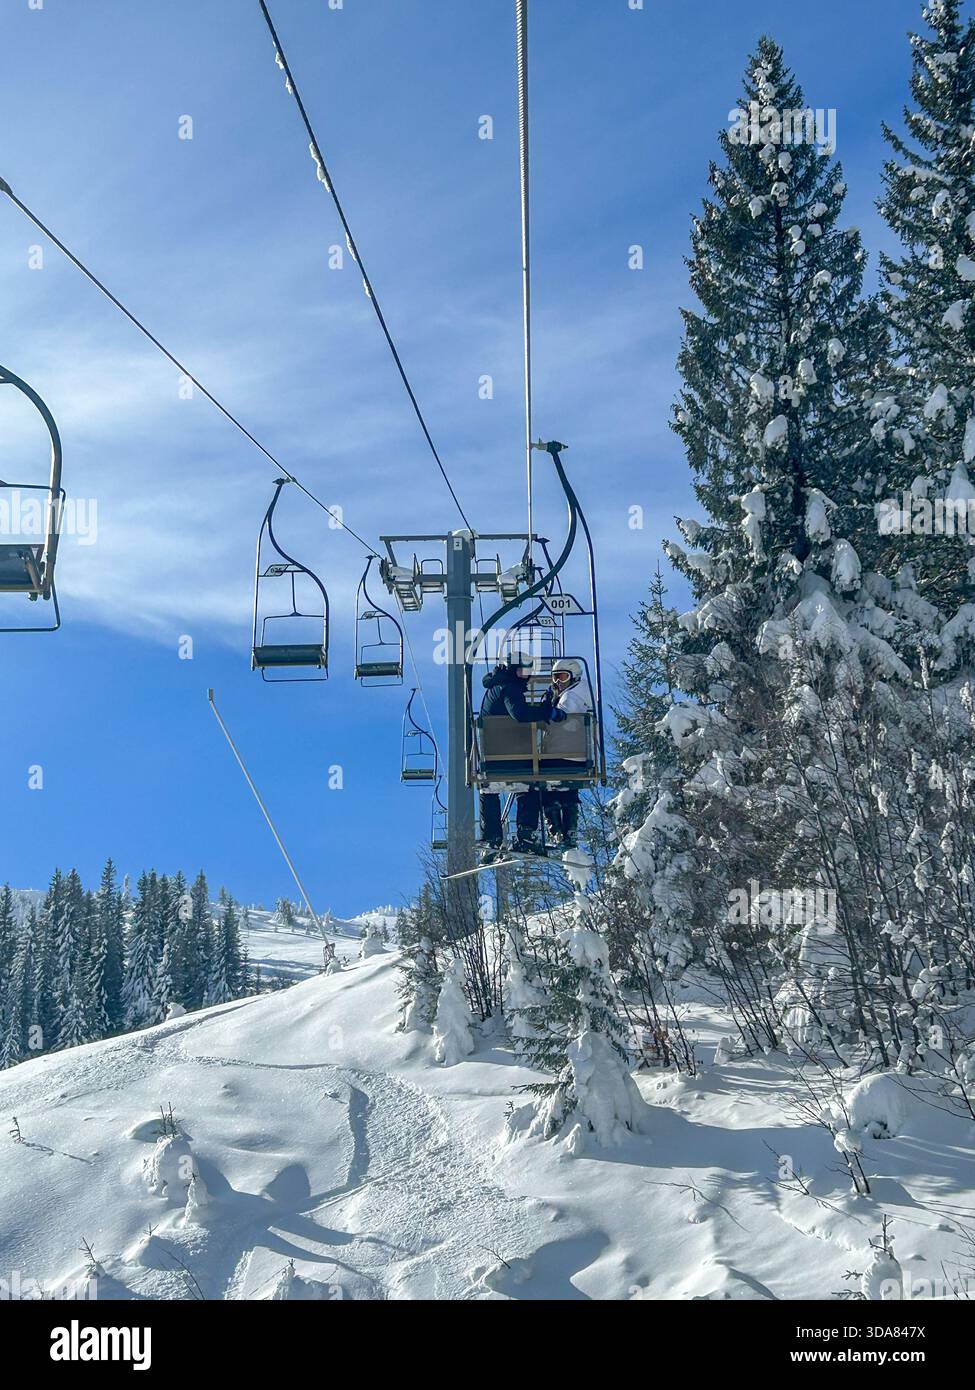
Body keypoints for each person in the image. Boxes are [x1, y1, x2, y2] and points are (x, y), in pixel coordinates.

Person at [478, 649, 562, 861]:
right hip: (511, 754)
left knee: (489, 791)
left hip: (491, 756)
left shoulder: (498, 685)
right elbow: (520, 714)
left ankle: (492, 837)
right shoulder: (509, 688)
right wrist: (545, 712)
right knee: (531, 784)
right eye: (523, 670)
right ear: (514, 670)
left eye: (528, 670)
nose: (527, 674)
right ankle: (525, 833)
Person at [542, 658, 592, 850]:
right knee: (568, 789)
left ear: (574, 677)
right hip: (578, 754)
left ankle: (557, 832)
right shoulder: (581, 692)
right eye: (555, 677)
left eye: (562, 677)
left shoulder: (571, 697)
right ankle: (569, 832)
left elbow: (558, 719)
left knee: (545, 786)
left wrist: (546, 707)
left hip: (563, 753)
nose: (558, 682)